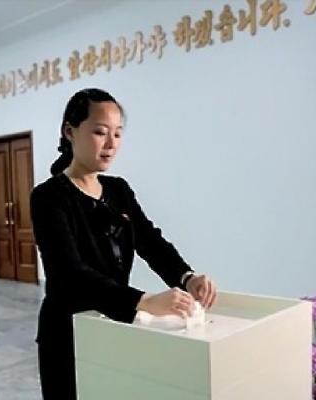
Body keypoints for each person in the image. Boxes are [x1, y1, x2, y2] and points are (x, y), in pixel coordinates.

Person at [29, 88, 217, 400]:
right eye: (100, 132)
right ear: (69, 131)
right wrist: (144, 300)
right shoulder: (49, 197)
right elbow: (70, 273)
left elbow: (150, 241)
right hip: (67, 333)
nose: (111, 143)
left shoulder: (118, 190)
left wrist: (187, 277)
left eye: (117, 133)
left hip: (111, 326)